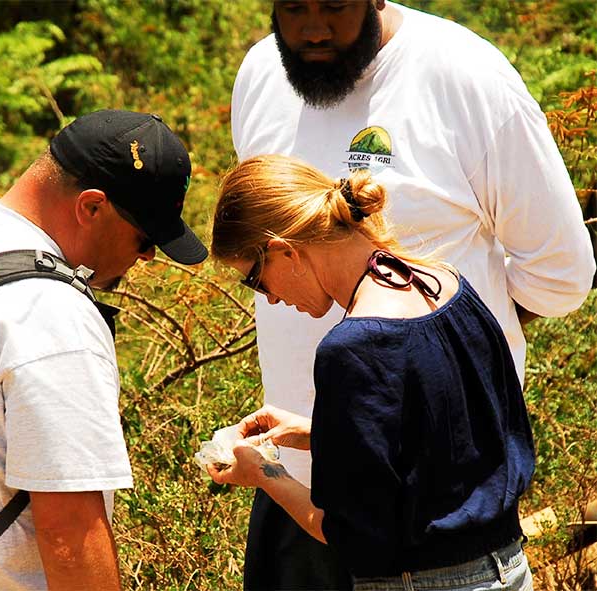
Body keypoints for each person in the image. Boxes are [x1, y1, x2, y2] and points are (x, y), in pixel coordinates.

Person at [231, 1, 595, 587]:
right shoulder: (259, 74)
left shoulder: (466, 75)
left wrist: (419, 370)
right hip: (328, 483)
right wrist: (328, 431)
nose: (313, 27)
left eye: (333, 4)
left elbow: (560, 272)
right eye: (293, 6)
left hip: (412, 527)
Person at [0, 109, 208, 590]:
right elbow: (70, 535)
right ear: (92, 207)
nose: (147, 256)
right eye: (145, 236)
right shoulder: (52, 313)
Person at [208, 153, 536, 590]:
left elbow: (350, 535)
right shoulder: (448, 284)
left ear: (284, 250)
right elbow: (458, 445)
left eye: (255, 279)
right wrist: (321, 435)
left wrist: (266, 476)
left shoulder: (352, 347)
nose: (268, 298)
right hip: (510, 569)